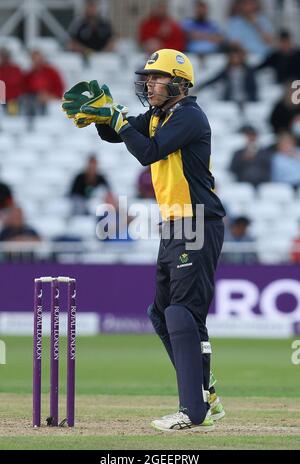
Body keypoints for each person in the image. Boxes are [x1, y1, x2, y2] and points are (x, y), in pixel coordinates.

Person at [63, 48, 226, 431]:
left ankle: (193, 410)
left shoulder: (189, 116)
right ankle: (206, 395)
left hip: (197, 221)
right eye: (147, 77)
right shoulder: (158, 115)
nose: (149, 83)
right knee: (162, 313)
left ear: (180, 83)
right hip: (174, 225)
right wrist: (104, 116)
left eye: (157, 77)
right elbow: (120, 135)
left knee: (182, 313)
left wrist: (118, 121)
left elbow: (147, 152)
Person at [22, 50, 64, 116]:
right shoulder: (29, 74)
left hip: (49, 99)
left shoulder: (52, 72)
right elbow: (24, 89)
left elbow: (59, 87)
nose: (37, 62)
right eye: (34, 59)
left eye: (39, 59)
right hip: (33, 99)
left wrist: (50, 96)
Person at [0, 48, 24, 115]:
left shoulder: (15, 69)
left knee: (12, 118)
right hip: (2, 99)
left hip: (13, 100)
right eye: (2, 56)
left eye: (6, 56)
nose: (4, 58)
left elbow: (20, 85)